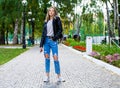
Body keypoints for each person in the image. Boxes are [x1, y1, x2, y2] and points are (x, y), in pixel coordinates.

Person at [40, 6, 65, 83]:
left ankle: (59, 76)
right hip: (46, 42)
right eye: (49, 11)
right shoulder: (46, 21)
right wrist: (41, 45)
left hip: (53, 41)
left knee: (55, 58)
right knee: (47, 59)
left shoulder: (57, 19)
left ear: (54, 12)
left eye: (52, 11)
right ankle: (47, 76)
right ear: (48, 12)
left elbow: (60, 30)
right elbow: (43, 34)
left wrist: (55, 38)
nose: (51, 12)